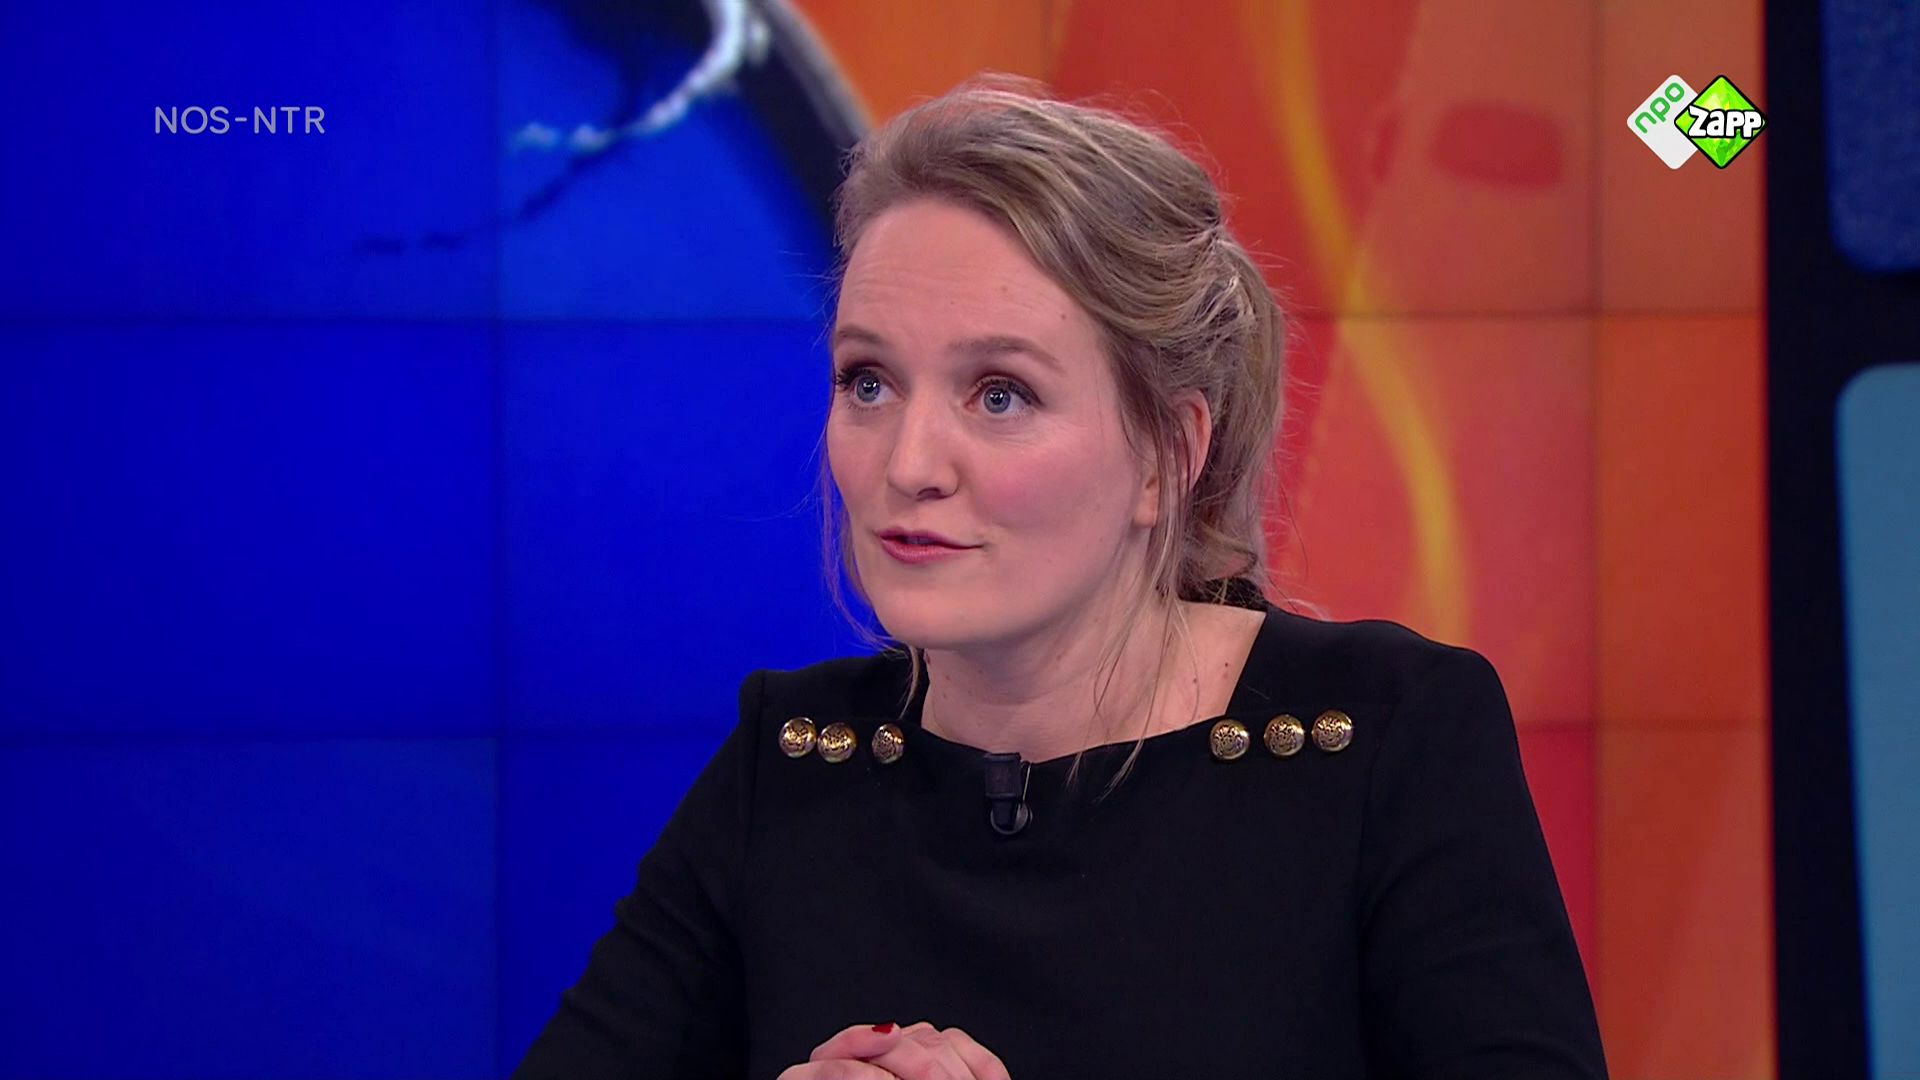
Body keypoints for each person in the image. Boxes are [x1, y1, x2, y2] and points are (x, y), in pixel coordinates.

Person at [512, 73, 1608, 1080]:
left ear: (1167, 455)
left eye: (1001, 394)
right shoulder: (792, 760)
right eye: (869, 381)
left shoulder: (1383, 737)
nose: (908, 464)